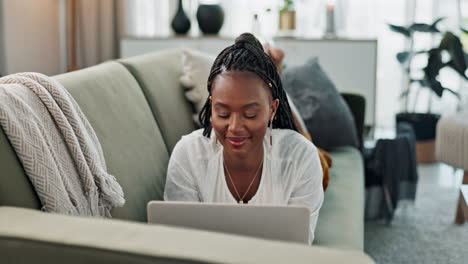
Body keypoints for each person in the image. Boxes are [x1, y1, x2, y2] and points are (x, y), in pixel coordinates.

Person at [164, 33, 324, 244]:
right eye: (222, 113)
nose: (235, 127)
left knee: (320, 158)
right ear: (211, 106)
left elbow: (295, 251)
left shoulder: (300, 158)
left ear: (272, 109)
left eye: (250, 114)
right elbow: (178, 244)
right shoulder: (188, 154)